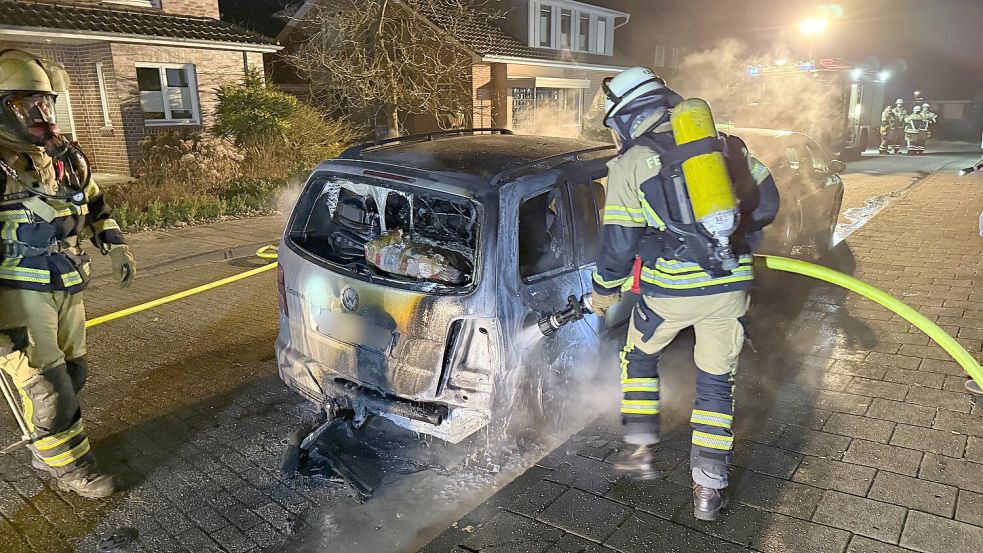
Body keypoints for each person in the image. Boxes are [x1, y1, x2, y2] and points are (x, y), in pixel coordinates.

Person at [591, 67, 779, 521]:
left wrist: (604, 291)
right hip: (730, 289)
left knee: (639, 357)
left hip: (670, 293)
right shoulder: (725, 147)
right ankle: (708, 491)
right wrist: (728, 239)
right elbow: (768, 204)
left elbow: (617, 245)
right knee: (716, 383)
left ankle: (639, 448)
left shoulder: (632, 163)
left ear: (624, 117)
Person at [0, 49, 135, 498]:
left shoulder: (61, 157)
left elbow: (94, 203)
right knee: (50, 389)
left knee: (73, 375)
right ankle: (73, 469)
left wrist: (115, 246)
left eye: (46, 106)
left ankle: (48, 448)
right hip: (16, 297)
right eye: (28, 107)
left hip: (66, 284)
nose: (42, 117)